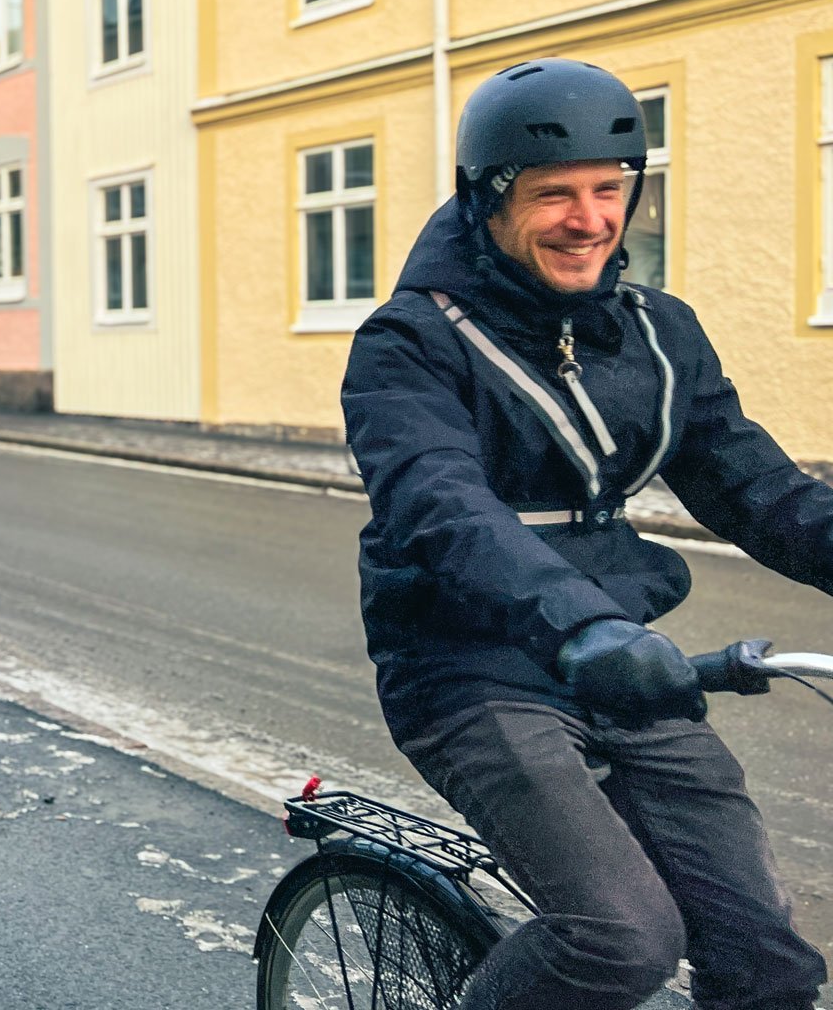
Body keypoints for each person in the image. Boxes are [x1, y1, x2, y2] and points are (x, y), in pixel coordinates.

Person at [342, 58, 833, 1010]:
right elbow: (441, 505)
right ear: (489, 201)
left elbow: (757, 488)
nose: (590, 218)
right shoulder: (409, 343)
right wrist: (579, 626)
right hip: (471, 670)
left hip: (630, 667)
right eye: (553, 194)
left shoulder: (658, 331)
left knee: (766, 959)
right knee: (620, 937)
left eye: (610, 190)